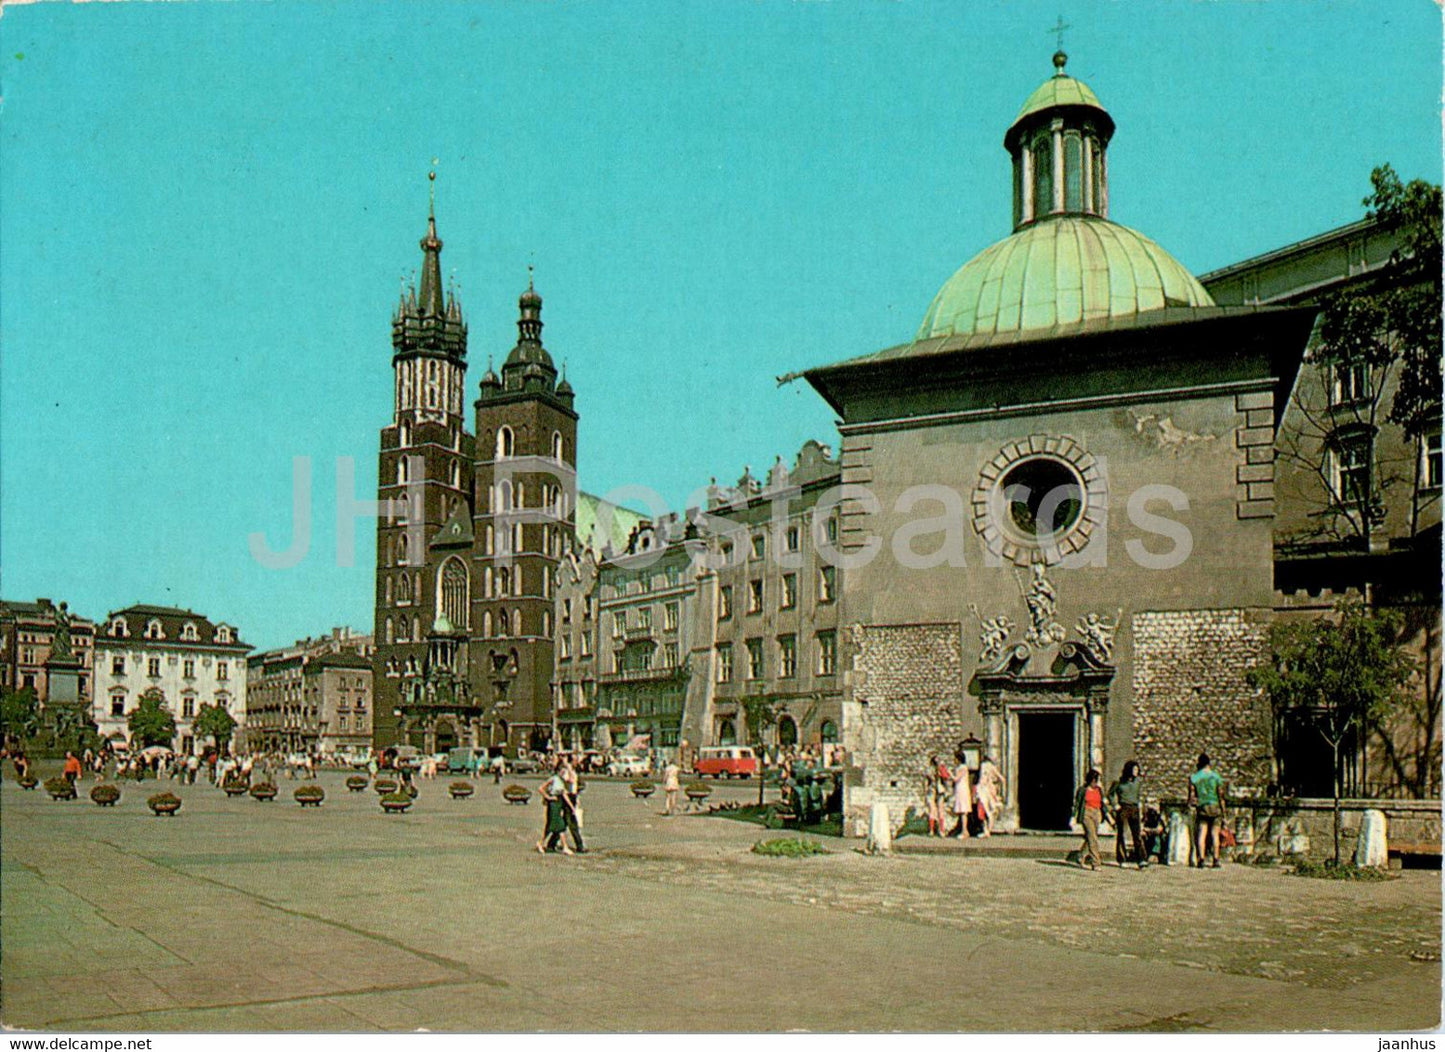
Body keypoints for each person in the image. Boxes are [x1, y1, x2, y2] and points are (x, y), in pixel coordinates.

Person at [1187, 753, 1227, 869]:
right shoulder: (1216, 777)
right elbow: (1221, 796)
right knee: (1215, 834)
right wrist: (1224, 813)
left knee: (1202, 834)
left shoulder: (1194, 777)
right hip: (1215, 806)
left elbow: (1192, 797)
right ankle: (1216, 859)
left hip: (1203, 807)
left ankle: (1201, 859)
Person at [1108, 760, 1147, 869]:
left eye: (1137, 769)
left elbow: (1140, 796)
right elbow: (1110, 794)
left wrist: (1141, 807)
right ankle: (1122, 858)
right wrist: (1115, 805)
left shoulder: (1138, 782)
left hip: (1134, 808)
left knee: (1137, 835)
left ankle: (1141, 859)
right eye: (1134, 769)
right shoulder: (1118, 782)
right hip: (1123, 808)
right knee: (1122, 834)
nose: (1136, 771)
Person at [1072, 768, 1109, 870]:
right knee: (1092, 838)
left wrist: (1108, 817)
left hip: (1097, 813)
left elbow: (1103, 805)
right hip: (1086, 813)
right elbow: (1077, 804)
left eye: (1096, 780)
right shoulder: (1082, 790)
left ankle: (1080, 857)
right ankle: (1096, 862)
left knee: (1091, 837)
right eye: (1094, 780)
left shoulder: (1099, 790)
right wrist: (1073, 817)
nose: (1095, 783)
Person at [536, 762, 572, 855]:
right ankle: (565, 847)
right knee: (560, 825)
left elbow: (564, 794)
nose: (563, 774)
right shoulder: (553, 779)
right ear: (558, 771)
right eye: (562, 771)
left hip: (559, 802)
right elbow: (541, 788)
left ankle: (540, 843)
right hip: (553, 804)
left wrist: (571, 806)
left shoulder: (562, 781)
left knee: (550, 827)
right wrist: (548, 797)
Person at [560, 760, 587, 853]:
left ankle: (551, 842)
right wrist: (568, 768)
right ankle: (580, 845)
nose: (578, 761)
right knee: (572, 822)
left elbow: (576, 784)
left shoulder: (574, 771)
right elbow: (570, 780)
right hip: (568, 797)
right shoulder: (565, 772)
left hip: (573, 797)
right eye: (575, 760)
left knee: (564, 822)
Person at [975, 755, 1005, 837]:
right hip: (986, 791)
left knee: (985, 811)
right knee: (987, 811)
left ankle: (987, 830)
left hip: (985, 791)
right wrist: (1000, 790)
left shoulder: (985, 766)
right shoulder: (991, 767)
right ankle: (987, 830)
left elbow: (1000, 779)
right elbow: (1002, 779)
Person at [949, 748, 972, 839]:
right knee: (961, 811)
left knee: (963, 811)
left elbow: (956, 778)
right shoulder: (959, 767)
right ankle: (964, 830)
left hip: (962, 789)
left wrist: (950, 773)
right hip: (959, 789)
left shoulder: (963, 767)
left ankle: (964, 831)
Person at [924, 756, 947, 837]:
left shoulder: (929, 770)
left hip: (931, 790)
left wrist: (925, 792)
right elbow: (946, 779)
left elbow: (926, 783)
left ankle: (931, 830)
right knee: (940, 810)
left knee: (932, 810)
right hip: (940, 790)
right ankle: (941, 830)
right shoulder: (941, 769)